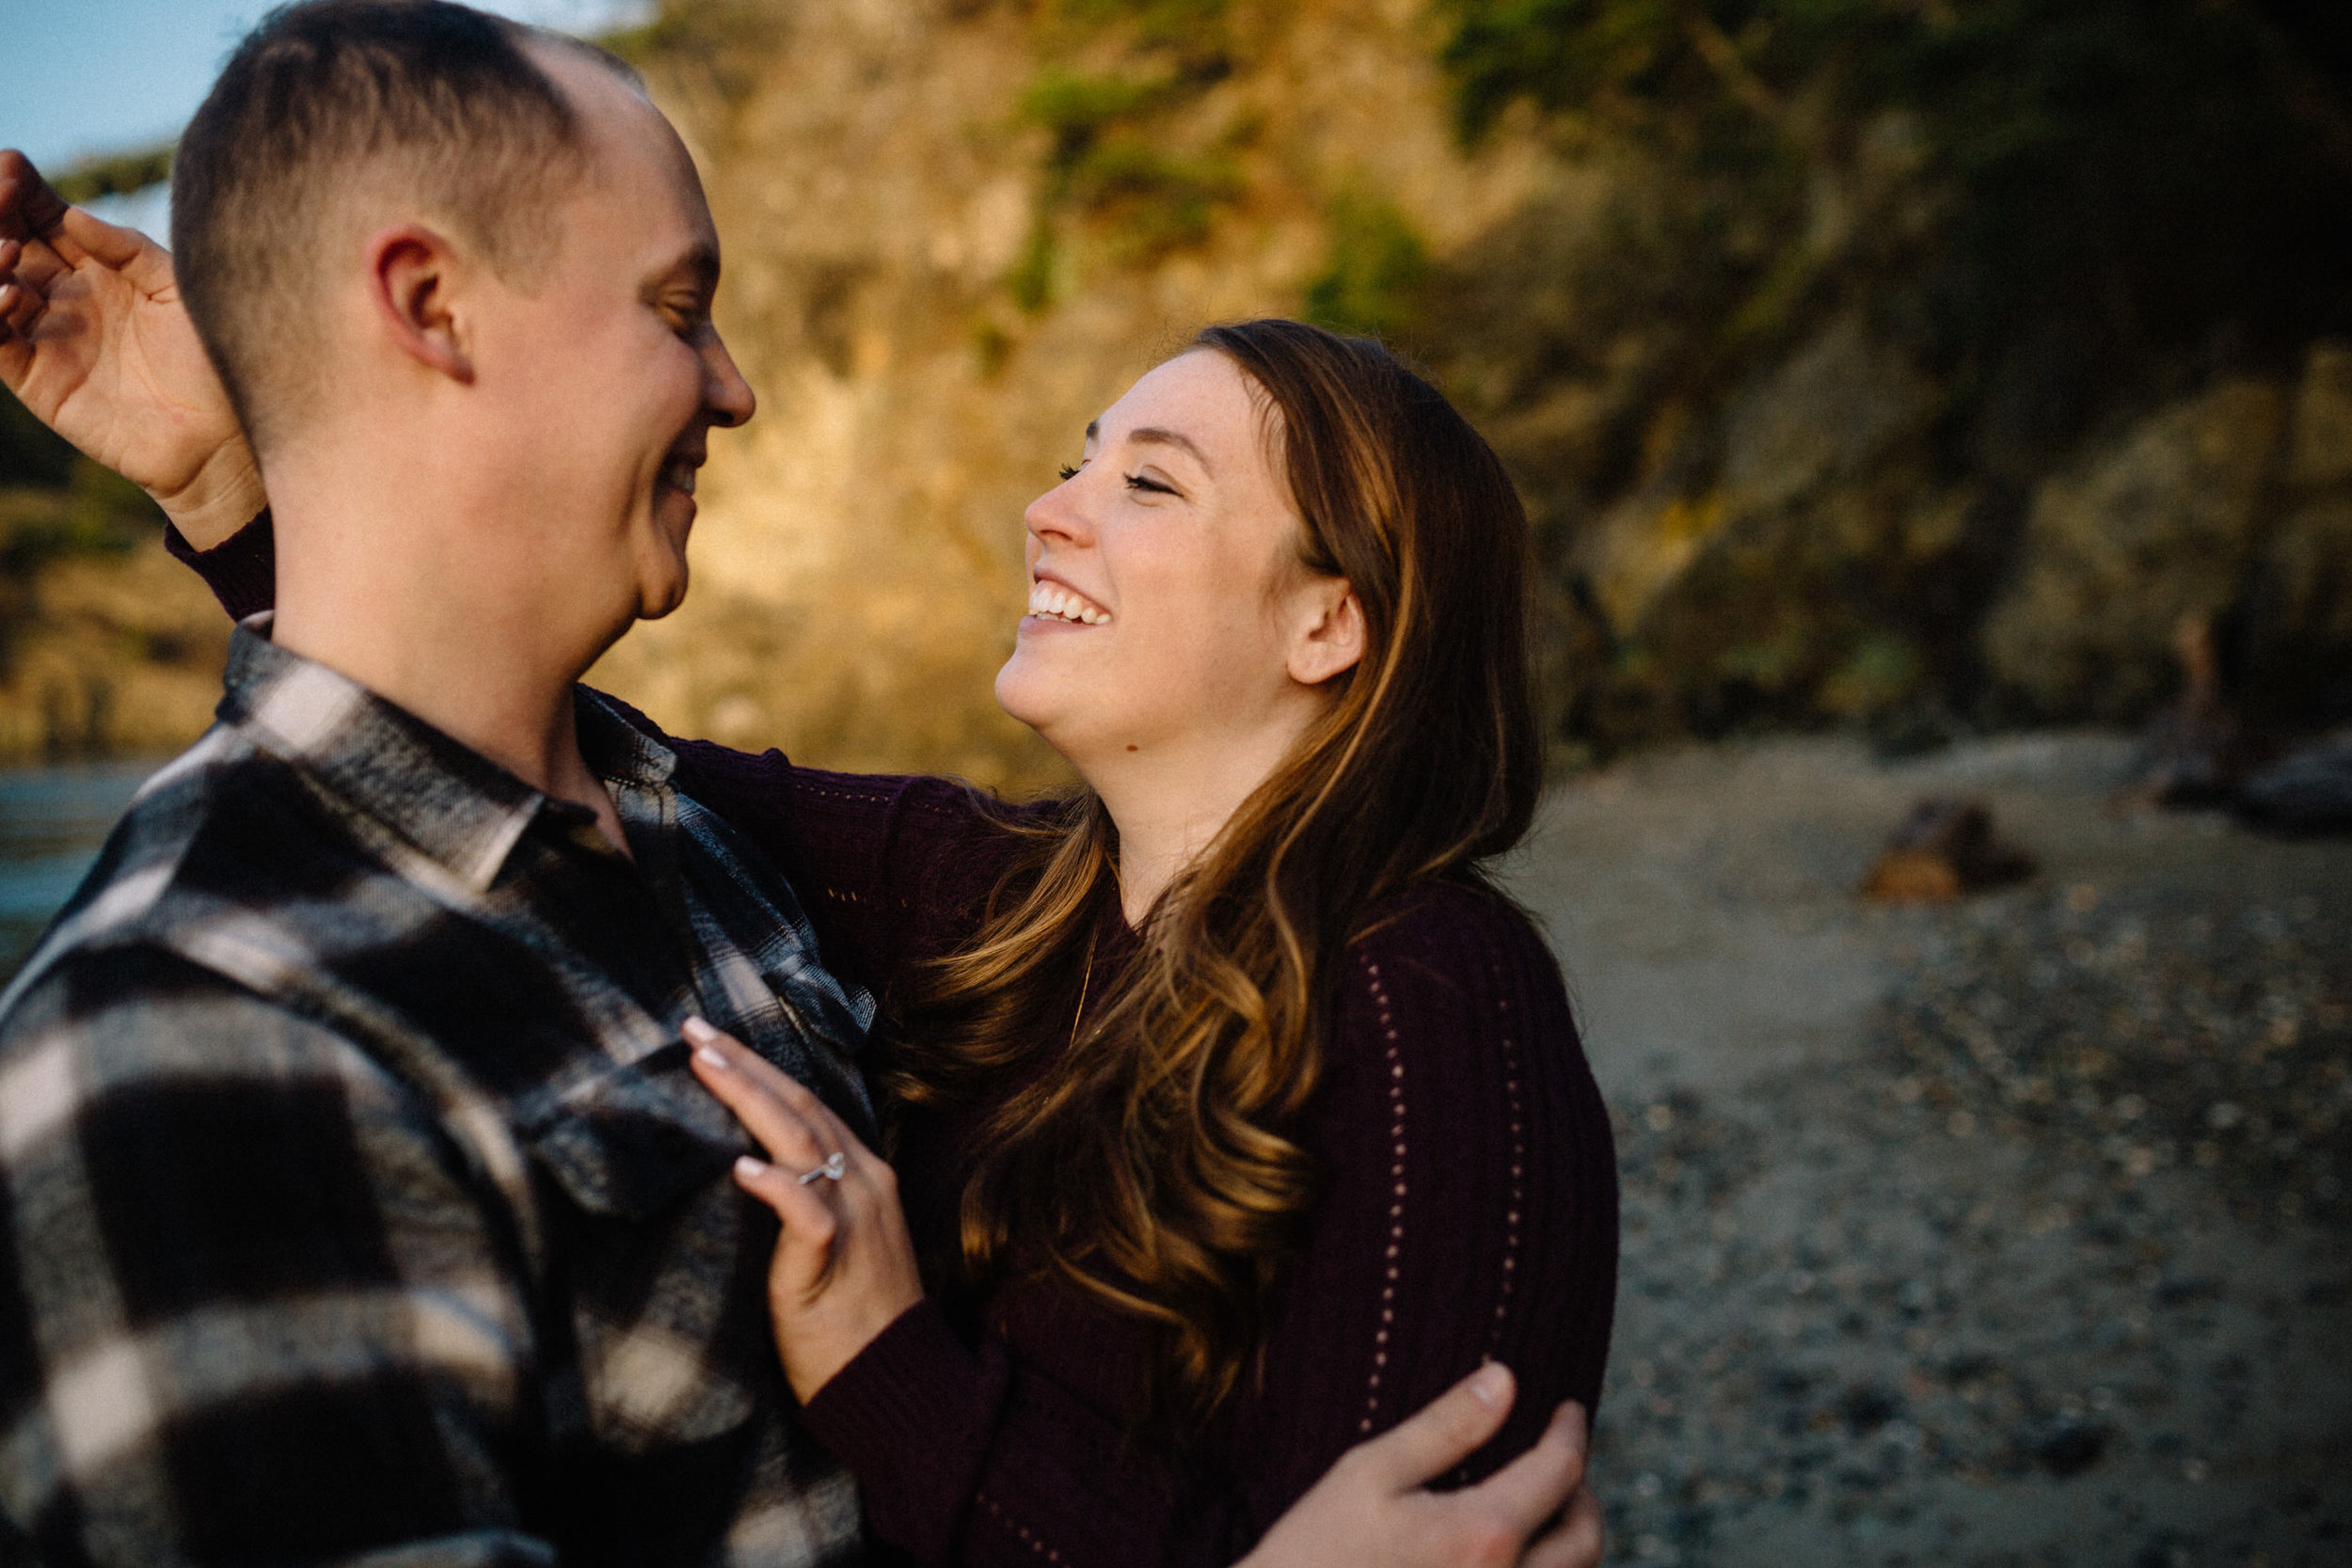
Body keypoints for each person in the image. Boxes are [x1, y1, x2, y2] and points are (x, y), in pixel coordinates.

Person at [0, 5, 1605, 1567]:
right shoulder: (187, 1042)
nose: (737, 386)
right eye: (680, 304)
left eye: (1151, 483)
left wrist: (894, 1367)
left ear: (1333, 622)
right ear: (429, 306)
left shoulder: (1407, 986)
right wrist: (262, 474)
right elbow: (454, 729)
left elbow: (494, 747)